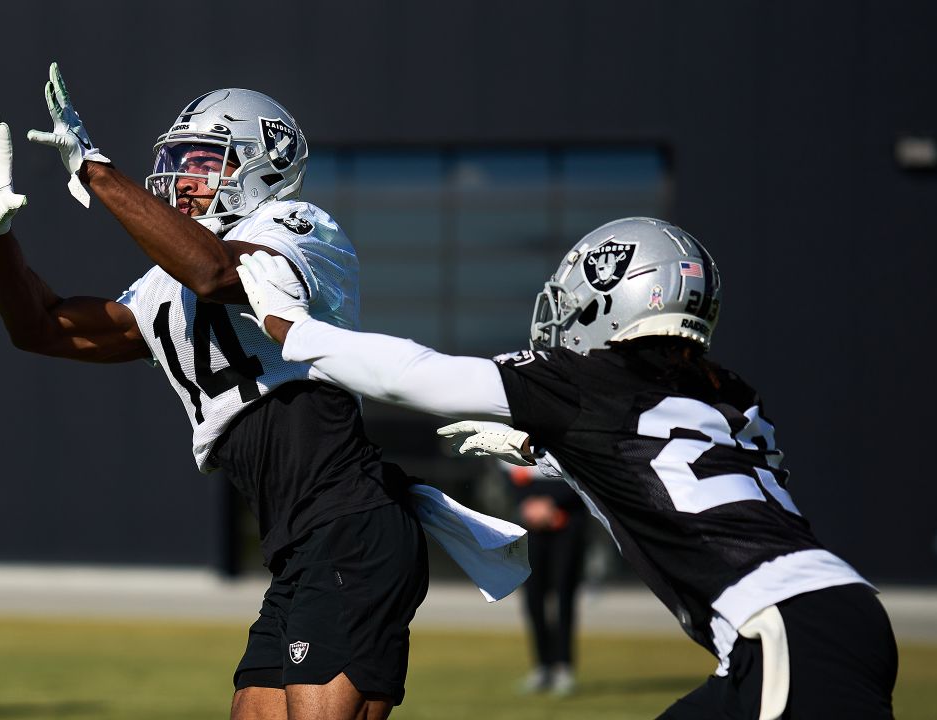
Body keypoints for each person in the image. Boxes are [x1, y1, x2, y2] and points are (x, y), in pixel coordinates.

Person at [235, 217, 899, 719]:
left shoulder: (593, 381)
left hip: (783, 628)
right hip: (830, 613)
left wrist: (292, 328)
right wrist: (544, 453)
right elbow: (668, 473)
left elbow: (417, 377)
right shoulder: (725, 391)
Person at [0, 64, 430, 719]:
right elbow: (43, 328)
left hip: (351, 524)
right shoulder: (160, 283)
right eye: (174, 160)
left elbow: (217, 273)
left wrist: (95, 170)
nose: (179, 177)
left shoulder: (301, 228)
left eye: (202, 160)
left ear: (266, 163)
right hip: (297, 541)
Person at [503, 458, 587, 696]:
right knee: (533, 596)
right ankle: (542, 667)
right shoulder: (515, 437)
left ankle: (563, 667)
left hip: (568, 522)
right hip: (531, 524)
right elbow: (510, 474)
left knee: (564, 595)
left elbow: (578, 477)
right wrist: (527, 504)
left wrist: (551, 503)